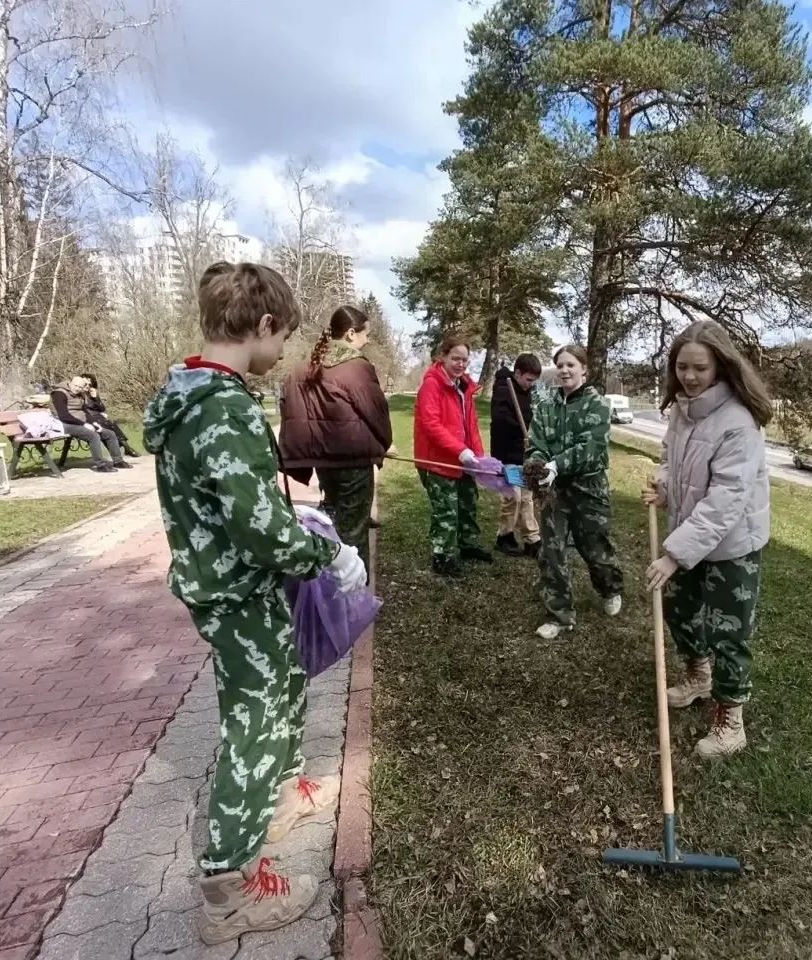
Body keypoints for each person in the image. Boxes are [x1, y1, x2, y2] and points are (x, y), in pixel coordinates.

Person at [142, 262, 368, 944]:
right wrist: (329, 554)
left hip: (234, 588)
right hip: (238, 592)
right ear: (263, 323)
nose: (282, 350)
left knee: (278, 694)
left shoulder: (194, 396)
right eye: (283, 336)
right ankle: (229, 889)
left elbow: (239, 503)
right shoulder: (223, 406)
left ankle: (282, 796)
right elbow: (261, 530)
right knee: (254, 727)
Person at [642, 321, 771, 758]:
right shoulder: (682, 410)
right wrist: (663, 486)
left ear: (720, 366)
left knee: (727, 631)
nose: (690, 376)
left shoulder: (739, 422)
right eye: (682, 367)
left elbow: (725, 500)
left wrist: (673, 555)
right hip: (690, 534)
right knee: (680, 610)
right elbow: (670, 459)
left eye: (700, 368)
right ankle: (699, 678)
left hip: (733, 545)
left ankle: (731, 722)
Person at [279, 304, 392, 568]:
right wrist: (384, 443)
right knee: (353, 533)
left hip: (324, 465)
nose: (368, 340)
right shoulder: (357, 367)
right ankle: (354, 588)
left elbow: (291, 410)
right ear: (351, 333)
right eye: (365, 334)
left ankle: (332, 582)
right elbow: (376, 412)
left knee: (336, 525)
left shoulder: (306, 367)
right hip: (353, 465)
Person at [527, 345, 624, 639]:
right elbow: (537, 443)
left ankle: (610, 588)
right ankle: (559, 615)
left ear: (584, 369)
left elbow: (591, 447)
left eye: (571, 364)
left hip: (589, 489)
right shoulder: (546, 407)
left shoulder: (598, 405)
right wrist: (538, 465)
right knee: (551, 551)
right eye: (560, 365)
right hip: (554, 490)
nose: (564, 370)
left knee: (596, 549)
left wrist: (557, 464)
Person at [413, 335, 492, 577]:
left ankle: (468, 545)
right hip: (437, 461)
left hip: (464, 461)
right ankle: (443, 556)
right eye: (455, 358)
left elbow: (471, 425)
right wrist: (460, 450)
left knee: (468, 503)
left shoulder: (464, 387)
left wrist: (478, 457)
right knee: (446, 510)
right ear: (443, 357)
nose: (460, 364)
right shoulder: (432, 385)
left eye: (465, 360)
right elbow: (431, 425)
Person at [490, 353, 542, 559]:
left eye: (533, 381)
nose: (530, 384)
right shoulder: (504, 389)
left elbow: (527, 417)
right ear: (518, 373)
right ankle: (505, 536)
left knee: (527, 497)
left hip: (523, 453)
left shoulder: (524, 391)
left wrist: (530, 436)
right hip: (507, 454)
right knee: (513, 496)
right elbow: (500, 421)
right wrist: (522, 434)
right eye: (528, 379)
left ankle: (532, 539)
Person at [50, 376, 130, 473]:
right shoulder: (59, 393)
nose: (77, 389)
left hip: (80, 422)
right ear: (70, 383)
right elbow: (64, 415)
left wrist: (94, 423)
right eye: (75, 386)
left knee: (109, 434)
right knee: (93, 436)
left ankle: (118, 461)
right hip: (63, 424)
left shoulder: (81, 394)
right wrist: (84, 424)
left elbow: (85, 412)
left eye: (80, 387)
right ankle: (101, 465)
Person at [81, 374, 141, 457]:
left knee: (111, 424)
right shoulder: (78, 394)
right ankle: (125, 450)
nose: (87, 386)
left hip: (98, 417)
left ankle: (124, 450)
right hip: (88, 418)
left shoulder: (90, 394)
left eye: (90, 384)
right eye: (85, 384)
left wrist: (95, 398)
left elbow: (102, 409)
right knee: (106, 427)